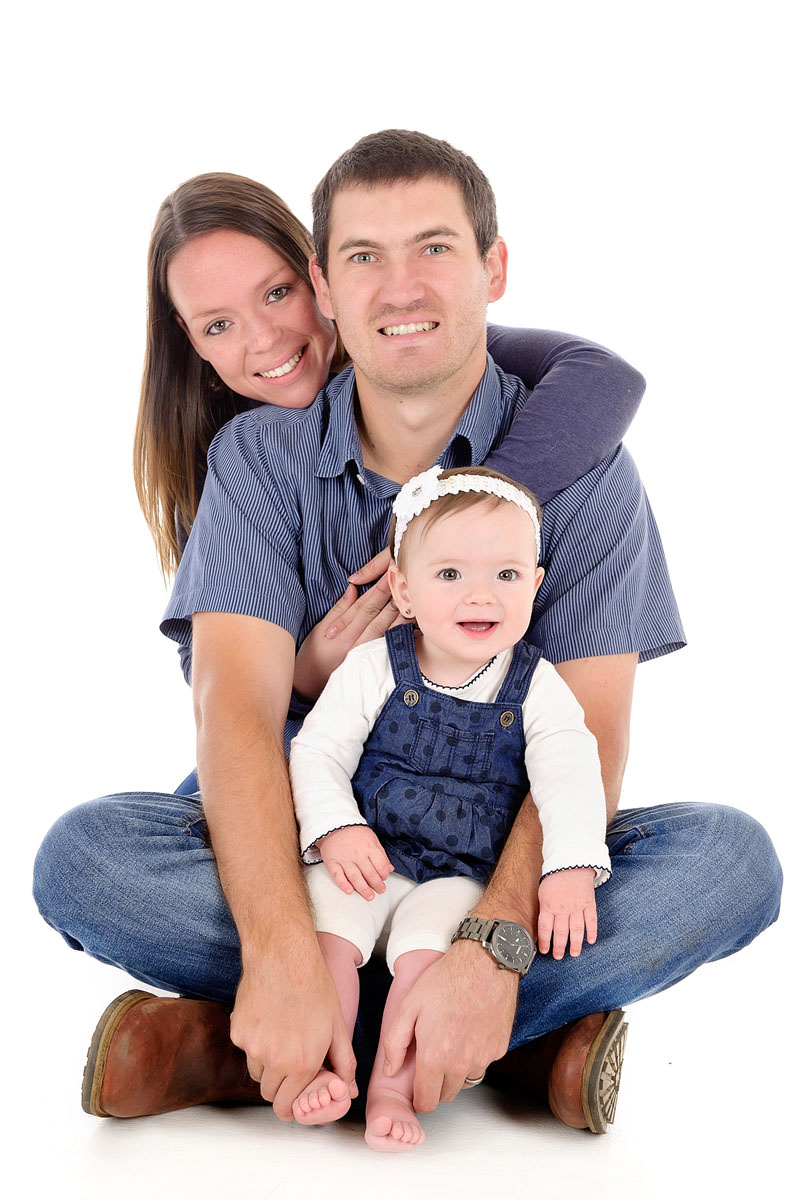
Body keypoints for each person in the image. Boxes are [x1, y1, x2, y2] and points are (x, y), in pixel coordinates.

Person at [33, 131, 781, 1134]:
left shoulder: (584, 469)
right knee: (82, 858)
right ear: (327, 284)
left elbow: (585, 741)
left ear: (492, 268)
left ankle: (250, 1040)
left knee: (728, 862)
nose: (398, 288)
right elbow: (234, 715)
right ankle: (472, 1042)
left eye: (431, 247)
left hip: (484, 855)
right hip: (313, 843)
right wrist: (281, 943)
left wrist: (495, 948)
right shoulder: (258, 457)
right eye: (361, 258)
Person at [132, 170, 647, 707]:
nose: (264, 338)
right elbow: (225, 693)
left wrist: (463, 510)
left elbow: (601, 375)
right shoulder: (244, 455)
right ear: (189, 339)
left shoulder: (416, 346)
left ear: (323, 281)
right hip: (305, 745)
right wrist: (310, 670)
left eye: (278, 293)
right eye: (218, 325)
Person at [290, 465, 612, 1150]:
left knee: (429, 964)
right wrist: (337, 828)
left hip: (462, 878)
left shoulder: (537, 687)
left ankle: (391, 1089)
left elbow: (571, 776)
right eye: (449, 576)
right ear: (403, 591)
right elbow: (317, 752)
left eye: (505, 575)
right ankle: (325, 1063)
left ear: (536, 584)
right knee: (327, 944)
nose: (480, 596)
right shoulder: (375, 665)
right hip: (367, 858)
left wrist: (571, 867)